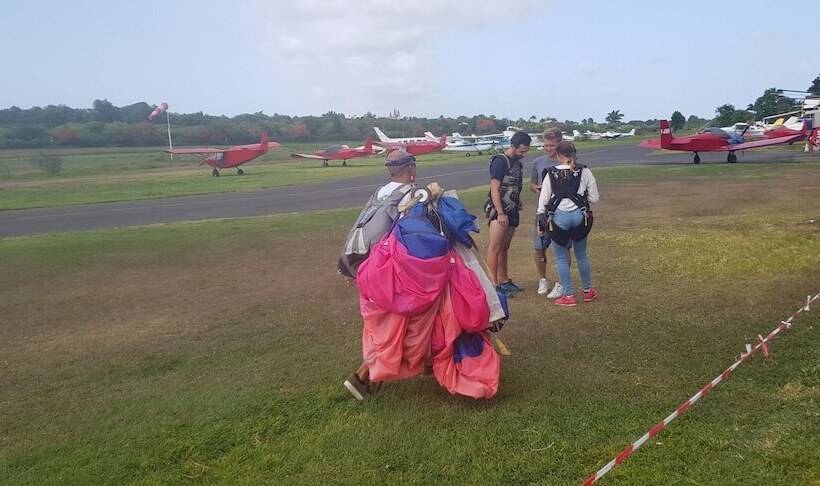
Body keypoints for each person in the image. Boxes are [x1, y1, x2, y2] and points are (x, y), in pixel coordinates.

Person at [341, 150, 417, 399]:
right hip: (385, 268)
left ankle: (374, 374)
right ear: (411, 168)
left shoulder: (379, 193)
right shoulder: (409, 194)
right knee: (396, 323)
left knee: (379, 324)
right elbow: (411, 234)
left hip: (362, 266)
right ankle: (364, 375)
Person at [536, 141, 599, 307]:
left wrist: (540, 224)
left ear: (558, 155)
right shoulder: (585, 171)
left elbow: (543, 202)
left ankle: (569, 295)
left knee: (561, 259)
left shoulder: (550, 174)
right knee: (582, 255)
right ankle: (587, 291)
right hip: (580, 217)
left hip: (558, 219)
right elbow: (594, 198)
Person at [485, 131, 530, 296]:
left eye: (526, 151)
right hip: (500, 210)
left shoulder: (518, 162)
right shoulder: (500, 161)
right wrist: (500, 213)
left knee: (505, 247)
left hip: (513, 209)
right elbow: (495, 188)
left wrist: (517, 202)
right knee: (495, 247)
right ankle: (493, 284)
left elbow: (514, 185)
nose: (524, 154)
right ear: (513, 146)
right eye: (521, 151)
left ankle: (504, 280)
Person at [529, 128, 563, 298]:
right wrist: (538, 190)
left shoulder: (566, 162)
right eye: (546, 145)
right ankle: (542, 279)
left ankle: (561, 283)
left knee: (562, 248)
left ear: (559, 144)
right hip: (542, 212)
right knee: (539, 247)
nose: (548, 148)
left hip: (561, 212)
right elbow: (532, 184)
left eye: (552, 145)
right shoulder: (538, 162)